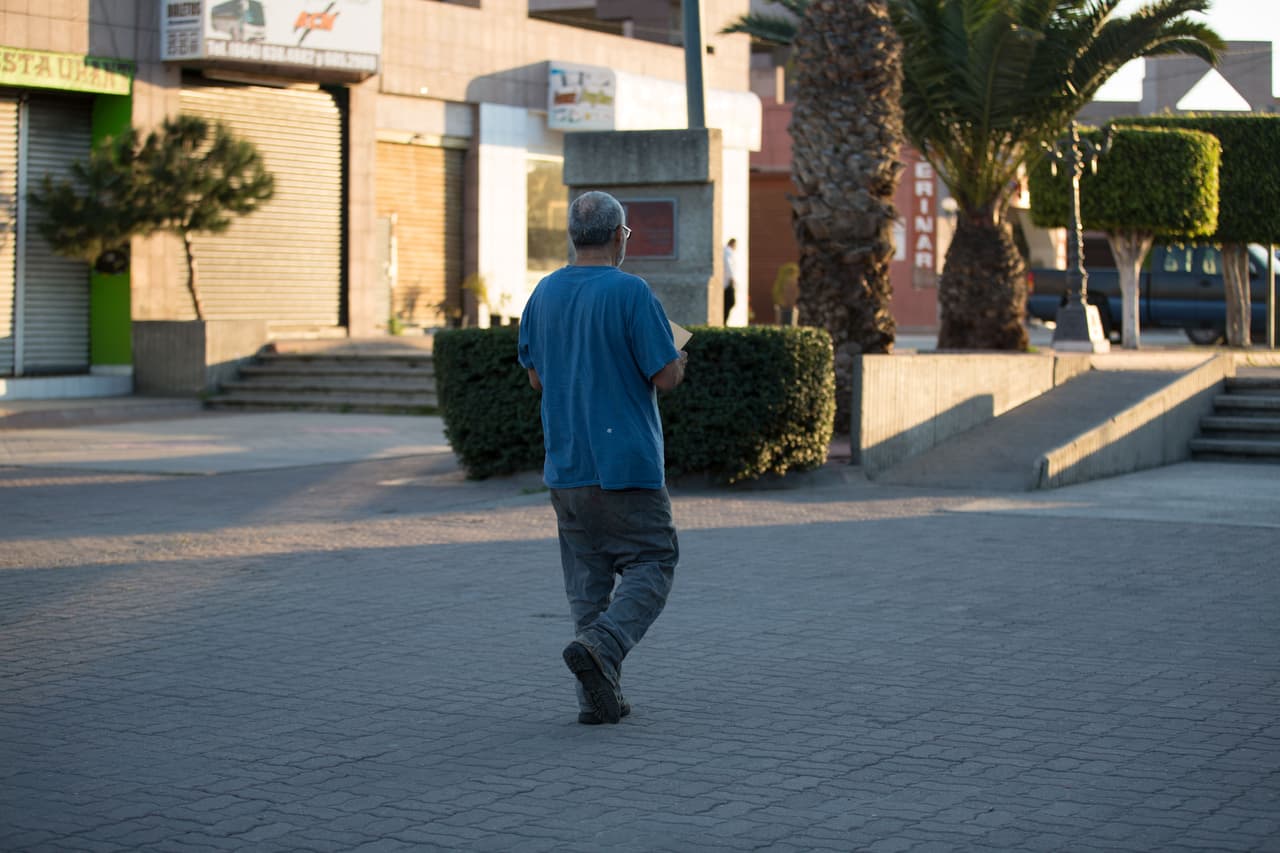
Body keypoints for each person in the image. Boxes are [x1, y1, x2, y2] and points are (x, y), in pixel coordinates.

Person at [518, 190, 688, 725]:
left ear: (574, 236)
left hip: (567, 464)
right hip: (626, 463)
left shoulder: (543, 293)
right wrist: (680, 356)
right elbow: (665, 375)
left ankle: (594, 700)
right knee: (654, 560)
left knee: (587, 586)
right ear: (619, 236)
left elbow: (536, 378)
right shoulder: (630, 291)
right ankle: (605, 645)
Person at [722, 238, 739, 324]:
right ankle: (724, 321)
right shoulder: (727, 252)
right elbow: (728, 265)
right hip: (727, 283)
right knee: (729, 302)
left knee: (728, 303)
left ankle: (724, 321)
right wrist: (731, 277)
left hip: (727, 282)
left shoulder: (728, 252)